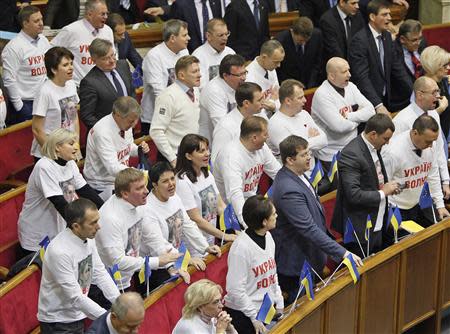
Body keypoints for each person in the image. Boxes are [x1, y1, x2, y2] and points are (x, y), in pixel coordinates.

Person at [271, 135, 362, 304]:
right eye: (304, 154)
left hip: (310, 256)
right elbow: (308, 228)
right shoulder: (288, 189)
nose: (309, 157)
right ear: (290, 160)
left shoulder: (297, 174)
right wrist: (342, 253)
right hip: (296, 264)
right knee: (300, 311)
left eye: (309, 152)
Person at [38, 198, 120, 333]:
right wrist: (109, 319)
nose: (98, 227)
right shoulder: (59, 252)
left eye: (97, 221)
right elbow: (75, 297)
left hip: (78, 312)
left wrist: (120, 303)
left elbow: (100, 273)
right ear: (76, 226)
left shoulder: (87, 236)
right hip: (58, 321)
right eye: (93, 223)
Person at [18, 129, 103, 258]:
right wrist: (80, 227)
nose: (76, 147)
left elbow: (85, 190)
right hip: (38, 232)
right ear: (57, 147)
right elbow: (59, 202)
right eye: (71, 143)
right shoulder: (44, 167)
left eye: (75, 143)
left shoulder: (70, 164)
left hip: (58, 228)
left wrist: (106, 210)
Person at [95, 168, 182, 290]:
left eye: (145, 186)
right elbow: (117, 261)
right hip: (107, 284)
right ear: (125, 194)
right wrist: (157, 261)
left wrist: (174, 263)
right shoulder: (110, 218)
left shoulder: (139, 203)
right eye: (139, 188)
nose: (146, 191)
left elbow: (153, 238)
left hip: (129, 275)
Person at [331, 114, 401, 258]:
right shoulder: (351, 154)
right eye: (385, 139)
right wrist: (383, 193)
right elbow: (353, 195)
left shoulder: (373, 146)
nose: (387, 143)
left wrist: (387, 188)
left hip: (378, 220)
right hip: (360, 227)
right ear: (373, 134)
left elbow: (374, 179)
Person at [311, 57, 375, 189]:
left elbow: (371, 111)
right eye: (344, 71)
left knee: (359, 186)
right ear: (332, 76)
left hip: (353, 148)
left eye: (349, 70)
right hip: (331, 155)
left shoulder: (351, 87)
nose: (349, 74)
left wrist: (349, 116)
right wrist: (359, 119)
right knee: (340, 192)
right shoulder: (322, 95)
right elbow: (339, 127)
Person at [224, 195, 284, 334]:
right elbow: (235, 289)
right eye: (273, 214)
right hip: (243, 315)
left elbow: (272, 273)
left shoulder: (268, 237)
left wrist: (279, 300)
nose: (277, 215)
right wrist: (253, 317)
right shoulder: (241, 248)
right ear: (264, 222)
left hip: (265, 310)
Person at [383, 115, 450, 228]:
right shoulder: (393, 151)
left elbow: (433, 176)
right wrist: (388, 214)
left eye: (433, 141)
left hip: (416, 204)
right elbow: (383, 185)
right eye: (428, 141)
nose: (431, 145)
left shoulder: (430, 146)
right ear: (415, 133)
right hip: (395, 208)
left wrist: (440, 205)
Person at [214, 116, 281, 226]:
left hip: (252, 201)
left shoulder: (261, 147)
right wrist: (247, 225)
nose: (268, 137)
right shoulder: (231, 156)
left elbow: (277, 172)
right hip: (231, 211)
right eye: (265, 134)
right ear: (254, 138)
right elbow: (235, 194)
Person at [348, 0, 412, 115]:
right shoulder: (359, 41)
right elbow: (362, 77)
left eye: (389, 14)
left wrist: (414, 90)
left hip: (386, 98)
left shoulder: (386, 36)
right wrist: (378, 105)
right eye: (384, 14)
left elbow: (397, 68)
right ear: (372, 17)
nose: (389, 18)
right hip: (366, 102)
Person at [392, 76, 450, 199]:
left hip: (430, 179)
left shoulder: (434, 114)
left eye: (438, 91)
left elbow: (438, 150)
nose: (438, 96)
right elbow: (393, 157)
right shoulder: (402, 120)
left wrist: (445, 180)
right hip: (408, 186)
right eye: (434, 92)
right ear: (420, 95)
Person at [83, 96, 149, 200]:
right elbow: (112, 168)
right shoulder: (102, 132)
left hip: (122, 180)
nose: (134, 125)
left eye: (136, 120)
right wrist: (138, 173)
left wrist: (138, 150)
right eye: (131, 121)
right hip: (103, 186)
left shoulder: (125, 124)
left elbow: (127, 147)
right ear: (118, 115)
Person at [176, 134, 236, 246]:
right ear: (189, 156)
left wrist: (235, 228)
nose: (207, 154)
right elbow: (196, 219)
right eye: (201, 151)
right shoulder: (183, 182)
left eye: (207, 150)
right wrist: (224, 236)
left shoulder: (206, 173)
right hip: (194, 245)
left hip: (211, 237)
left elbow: (220, 206)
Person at [1, 5, 51, 125]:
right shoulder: (14, 47)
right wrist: (20, 107)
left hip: (44, 99)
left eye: (41, 19)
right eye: (36, 21)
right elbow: (9, 79)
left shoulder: (43, 40)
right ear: (25, 23)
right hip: (26, 103)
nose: (41, 23)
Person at [267, 79, 327, 176]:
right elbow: (292, 152)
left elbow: (324, 140)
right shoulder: (275, 124)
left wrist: (303, 144)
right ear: (288, 101)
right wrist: (311, 139)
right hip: (293, 178)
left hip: (313, 173)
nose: (305, 100)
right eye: (300, 98)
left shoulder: (304, 114)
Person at [150, 55, 201, 166]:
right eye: (194, 72)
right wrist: (172, 159)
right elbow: (156, 131)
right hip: (173, 159)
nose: (199, 75)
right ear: (181, 75)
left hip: (192, 156)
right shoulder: (167, 96)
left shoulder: (195, 91)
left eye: (199, 70)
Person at [140, 19, 190, 134]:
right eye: (185, 35)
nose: (189, 38)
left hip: (179, 115)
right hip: (156, 118)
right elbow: (159, 92)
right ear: (172, 38)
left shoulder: (184, 52)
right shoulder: (154, 56)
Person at [31, 47, 80, 161]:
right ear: (53, 69)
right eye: (65, 65)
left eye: (71, 63)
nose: (71, 68)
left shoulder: (71, 85)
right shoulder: (44, 91)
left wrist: (76, 144)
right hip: (50, 153)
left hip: (68, 149)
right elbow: (37, 129)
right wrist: (54, 154)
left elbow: (73, 117)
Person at [51, 0, 114, 86]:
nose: (106, 17)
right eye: (102, 14)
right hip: (78, 86)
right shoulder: (71, 30)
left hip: (104, 85)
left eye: (107, 13)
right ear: (89, 14)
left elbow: (114, 56)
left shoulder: (108, 30)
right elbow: (51, 50)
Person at [79, 38, 134, 130]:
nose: (112, 60)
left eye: (113, 55)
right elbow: (87, 116)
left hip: (129, 128)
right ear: (94, 60)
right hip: (106, 135)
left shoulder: (123, 65)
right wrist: (105, 131)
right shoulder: (89, 82)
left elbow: (131, 92)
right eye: (106, 58)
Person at [211, 82, 266, 165]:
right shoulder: (226, 127)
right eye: (259, 100)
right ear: (246, 103)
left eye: (263, 98)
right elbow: (216, 161)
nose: (263, 102)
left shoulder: (258, 114)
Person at [199, 54, 246, 142]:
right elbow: (222, 126)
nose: (244, 78)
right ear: (225, 75)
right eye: (239, 75)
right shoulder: (214, 91)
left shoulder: (238, 85)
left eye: (244, 73)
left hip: (237, 137)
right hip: (215, 144)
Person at [173, 279, 237, 334]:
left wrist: (229, 329)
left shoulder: (209, 316)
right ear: (200, 306)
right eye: (215, 302)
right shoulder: (191, 328)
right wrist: (220, 331)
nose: (221, 306)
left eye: (220, 300)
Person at [275, 16, 323, 88]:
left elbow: (317, 63)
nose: (303, 43)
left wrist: (311, 83)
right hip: (289, 86)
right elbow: (279, 70)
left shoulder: (317, 35)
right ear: (292, 32)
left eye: (306, 41)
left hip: (310, 84)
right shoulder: (280, 41)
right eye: (300, 41)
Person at [391, 20, 426, 112]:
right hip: (402, 102)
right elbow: (403, 79)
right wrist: (424, 95)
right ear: (402, 39)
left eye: (420, 38)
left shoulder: (422, 43)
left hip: (423, 95)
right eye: (414, 40)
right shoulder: (393, 51)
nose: (418, 42)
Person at [192, 18, 235, 89]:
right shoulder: (198, 56)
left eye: (226, 34)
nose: (225, 38)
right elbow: (200, 86)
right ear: (208, 36)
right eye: (221, 35)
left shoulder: (230, 52)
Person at [246, 39, 285, 116]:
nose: (279, 65)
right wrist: (273, 103)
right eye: (276, 62)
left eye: (280, 61)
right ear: (264, 57)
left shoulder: (271, 68)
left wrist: (273, 105)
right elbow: (255, 111)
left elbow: (278, 96)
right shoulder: (248, 77)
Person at [421, 46, 450, 141]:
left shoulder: (443, 81)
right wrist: (440, 109)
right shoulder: (423, 88)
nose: (448, 68)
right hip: (433, 140)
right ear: (434, 65)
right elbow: (421, 121)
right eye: (444, 65)